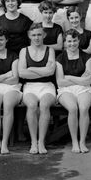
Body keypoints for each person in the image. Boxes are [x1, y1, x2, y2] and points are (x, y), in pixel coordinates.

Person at [0, 0, 33, 140]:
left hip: (22, 57)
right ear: (4, 4)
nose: (11, 3)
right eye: (8, 1)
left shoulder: (25, 20)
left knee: (20, 94)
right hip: (5, 58)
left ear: (18, 3)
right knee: (6, 92)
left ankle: (20, 130)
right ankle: (5, 131)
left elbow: (31, 40)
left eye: (13, 1)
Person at [18, 23, 56, 154]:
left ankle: (41, 141)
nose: (36, 38)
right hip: (29, 86)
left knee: (44, 105)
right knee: (32, 105)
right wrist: (43, 70)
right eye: (33, 35)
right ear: (29, 36)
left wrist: (31, 68)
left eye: (39, 34)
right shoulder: (24, 51)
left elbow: (51, 72)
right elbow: (22, 73)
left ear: (44, 35)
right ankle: (33, 141)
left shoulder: (50, 50)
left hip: (47, 86)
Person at [56, 29, 91, 153]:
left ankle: (82, 141)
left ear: (79, 40)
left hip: (84, 89)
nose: (72, 44)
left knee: (83, 108)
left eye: (75, 40)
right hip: (65, 89)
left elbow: (88, 81)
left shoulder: (87, 57)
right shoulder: (60, 58)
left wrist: (69, 77)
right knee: (73, 108)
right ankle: (74, 141)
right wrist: (79, 79)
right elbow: (60, 82)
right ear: (65, 42)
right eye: (69, 41)